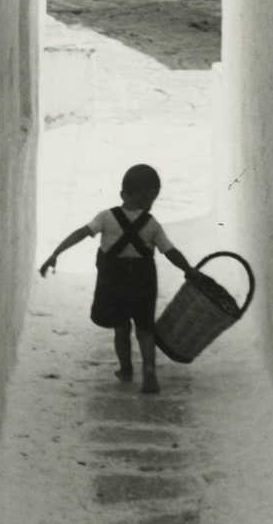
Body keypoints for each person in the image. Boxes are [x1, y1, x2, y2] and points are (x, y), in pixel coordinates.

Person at [39, 163, 192, 394]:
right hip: (143, 282)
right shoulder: (152, 225)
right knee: (145, 329)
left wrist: (55, 253)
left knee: (121, 328)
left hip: (114, 283)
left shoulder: (106, 217)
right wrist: (189, 270)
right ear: (149, 197)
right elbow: (170, 252)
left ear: (123, 194)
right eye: (152, 198)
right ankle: (149, 370)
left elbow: (81, 233)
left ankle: (126, 369)